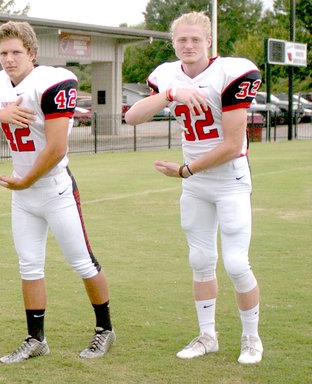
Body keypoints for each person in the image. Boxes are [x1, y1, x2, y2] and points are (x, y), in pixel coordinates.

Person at [0, 21, 115, 363]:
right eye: (3, 53)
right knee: (29, 266)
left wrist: (26, 180)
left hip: (54, 188)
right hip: (23, 192)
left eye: (16, 52)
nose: (9, 59)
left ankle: (105, 329)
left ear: (32, 53)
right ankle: (36, 338)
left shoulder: (53, 82)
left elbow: (57, 147)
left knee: (82, 261)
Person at [125, 12, 263, 365]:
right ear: (173, 43)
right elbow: (133, 117)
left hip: (229, 179)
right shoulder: (167, 75)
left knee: (235, 262)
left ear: (209, 42)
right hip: (196, 185)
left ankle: (251, 338)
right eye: (181, 40)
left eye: (195, 40)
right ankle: (207, 336)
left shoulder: (230, 72)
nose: (188, 46)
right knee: (200, 260)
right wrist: (171, 93)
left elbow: (233, 144)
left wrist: (187, 169)